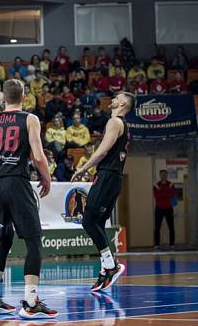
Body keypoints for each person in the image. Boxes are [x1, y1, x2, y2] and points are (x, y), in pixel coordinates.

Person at [0, 79, 57, 319]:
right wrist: (46, 177)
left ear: (3, 98)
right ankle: (30, 303)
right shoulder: (29, 119)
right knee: (34, 241)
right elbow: (38, 157)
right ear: (24, 96)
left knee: (3, 241)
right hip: (16, 183)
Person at [71, 91, 135, 292]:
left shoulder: (115, 122)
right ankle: (105, 269)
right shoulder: (123, 125)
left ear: (123, 103)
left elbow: (102, 151)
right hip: (113, 177)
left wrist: (83, 168)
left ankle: (111, 265)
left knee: (88, 221)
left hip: (107, 175)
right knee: (97, 223)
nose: (113, 99)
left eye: (117, 97)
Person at [153, 170, 176, 251]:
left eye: (165, 174)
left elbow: (172, 195)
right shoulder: (156, 185)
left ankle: (172, 244)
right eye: (162, 174)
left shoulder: (171, 184)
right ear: (160, 175)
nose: (163, 176)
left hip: (169, 208)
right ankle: (156, 245)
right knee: (157, 227)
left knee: (171, 227)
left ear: (166, 175)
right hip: (159, 208)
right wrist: (166, 191)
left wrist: (162, 191)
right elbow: (157, 196)